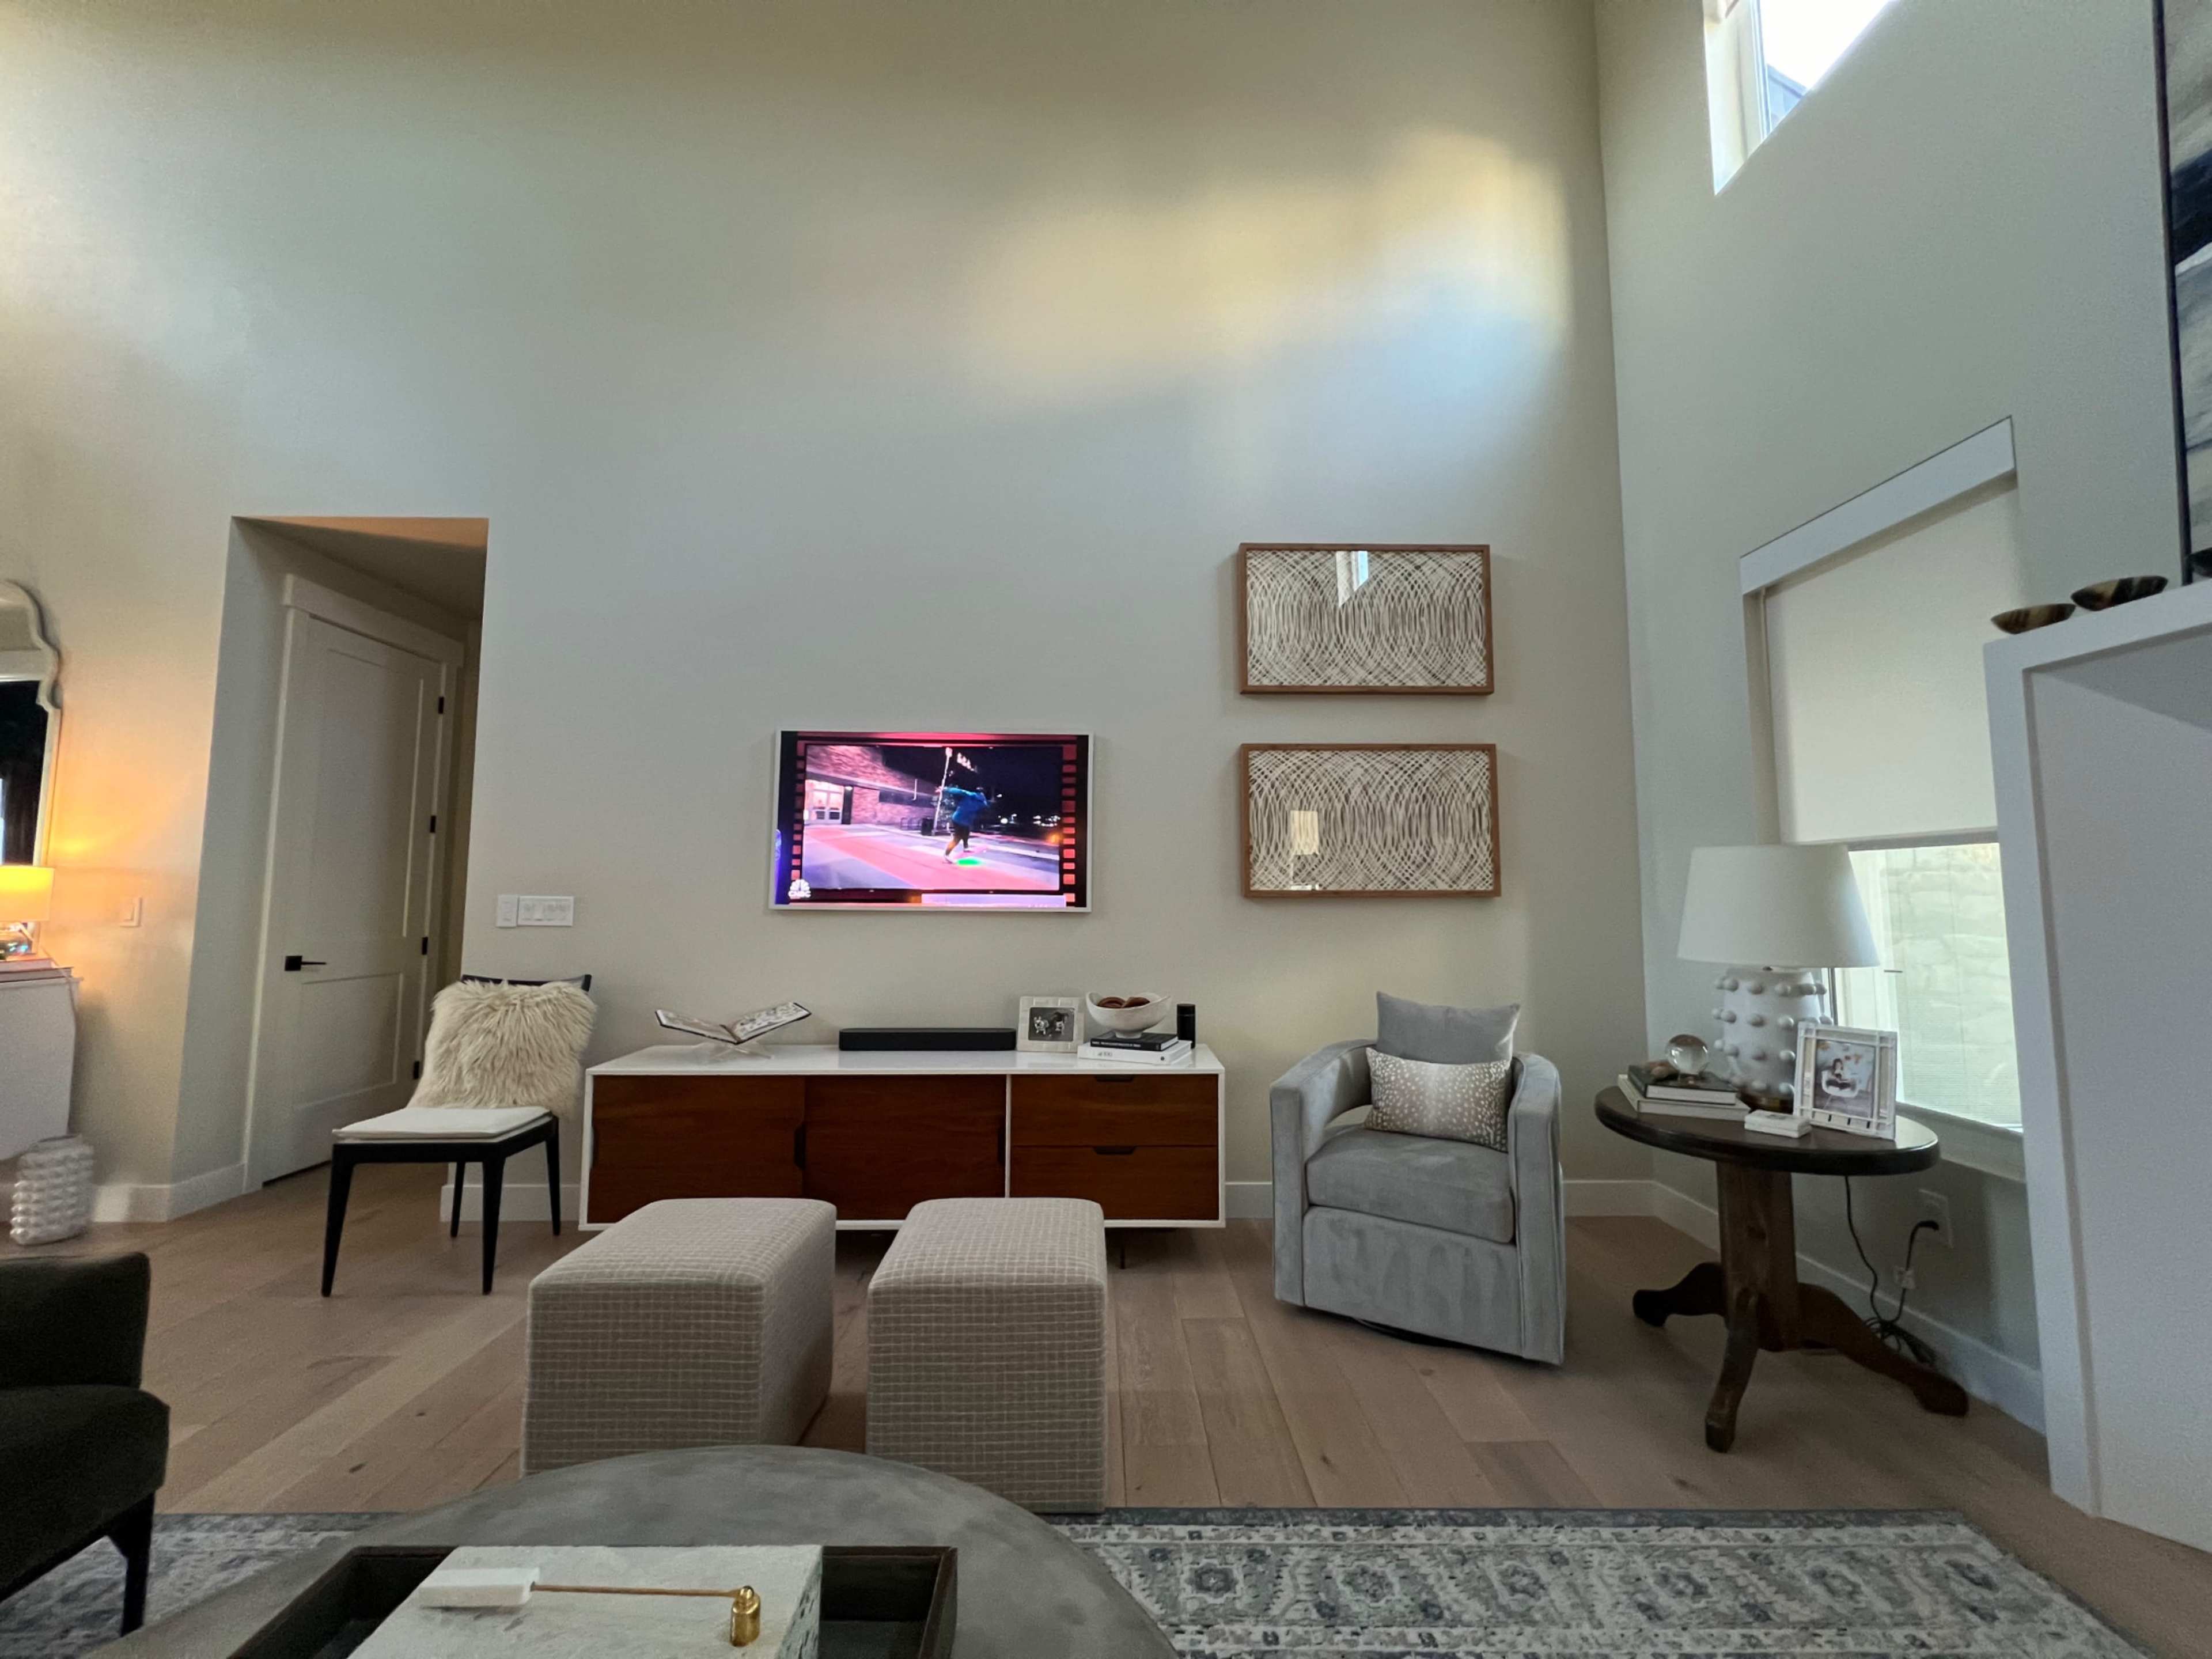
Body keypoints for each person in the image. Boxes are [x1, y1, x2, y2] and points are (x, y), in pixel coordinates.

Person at [940, 785, 990, 859]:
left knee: (966, 833)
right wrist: (947, 789)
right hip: (959, 820)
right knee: (958, 838)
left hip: (963, 819)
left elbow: (958, 791)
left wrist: (946, 789)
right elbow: (986, 805)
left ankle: (966, 848)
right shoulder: (978, 800)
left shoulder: (970, 795)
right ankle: (947, 855)